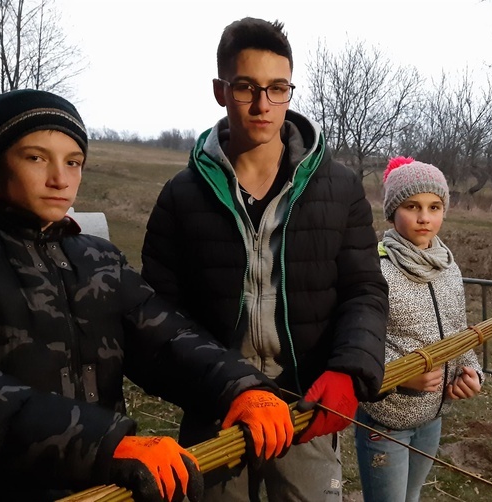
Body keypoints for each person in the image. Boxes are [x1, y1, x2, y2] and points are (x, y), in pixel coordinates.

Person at [0, 88, 294, 502]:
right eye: (36, 157)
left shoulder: (97, 257)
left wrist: (242, 388)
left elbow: (166, 340)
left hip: (106, 490)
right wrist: (108, 445)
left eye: (73, 162)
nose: (60, 178)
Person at [140, 16, 389, 502]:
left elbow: (365, 289)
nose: (262, 105)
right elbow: (159, 315)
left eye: (278, 89)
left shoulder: (338, 188)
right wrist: (221, 386)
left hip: (305, 405)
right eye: (246, 88)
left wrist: (350, 370)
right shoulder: (181, 196)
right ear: (219, 90)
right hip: (218, 413)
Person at [354, 156, 484, 502]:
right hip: (387, 420)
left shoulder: (448, 267)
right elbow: (358, 342)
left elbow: (459, 334)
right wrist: (399, 375)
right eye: (412, 205)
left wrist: (472, 371)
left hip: (433, 418)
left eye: (435, 206)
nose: (425, 217)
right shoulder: (375, 269)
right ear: (393, 210)